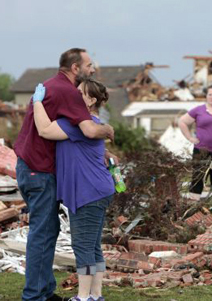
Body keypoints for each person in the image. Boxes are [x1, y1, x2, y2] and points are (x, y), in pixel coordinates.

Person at [14, 48, 114, 301]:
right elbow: (79, 131)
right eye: (89, 65)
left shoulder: (50, 86)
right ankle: (40, 295)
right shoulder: (69, 94)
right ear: (75, 68)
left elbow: (87, 133)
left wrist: (37, 100)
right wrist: (107, 130)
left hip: (43, 173)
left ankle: (51, 292)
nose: (92, 69)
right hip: (46, 174)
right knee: (57, 236)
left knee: (57, 234)